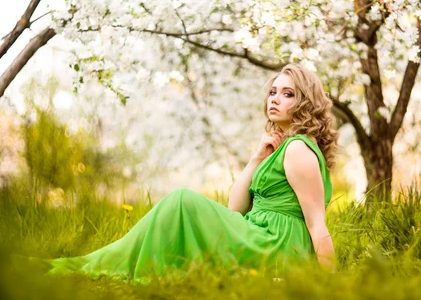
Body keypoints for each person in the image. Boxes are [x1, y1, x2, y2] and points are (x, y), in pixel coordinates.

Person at [38, 63, 339, 281]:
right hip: (258, 233)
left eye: (287, 94)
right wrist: (255, 159)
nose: (275, 98)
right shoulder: (279, 147)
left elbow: (317, 225)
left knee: (182, 200)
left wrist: (330, 285)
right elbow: (236, 208)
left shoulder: (299, 150)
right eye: (273, 91)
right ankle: (106, 262)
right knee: (180, 203)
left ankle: (108, 265)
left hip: (277, 247)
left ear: (305, 103)